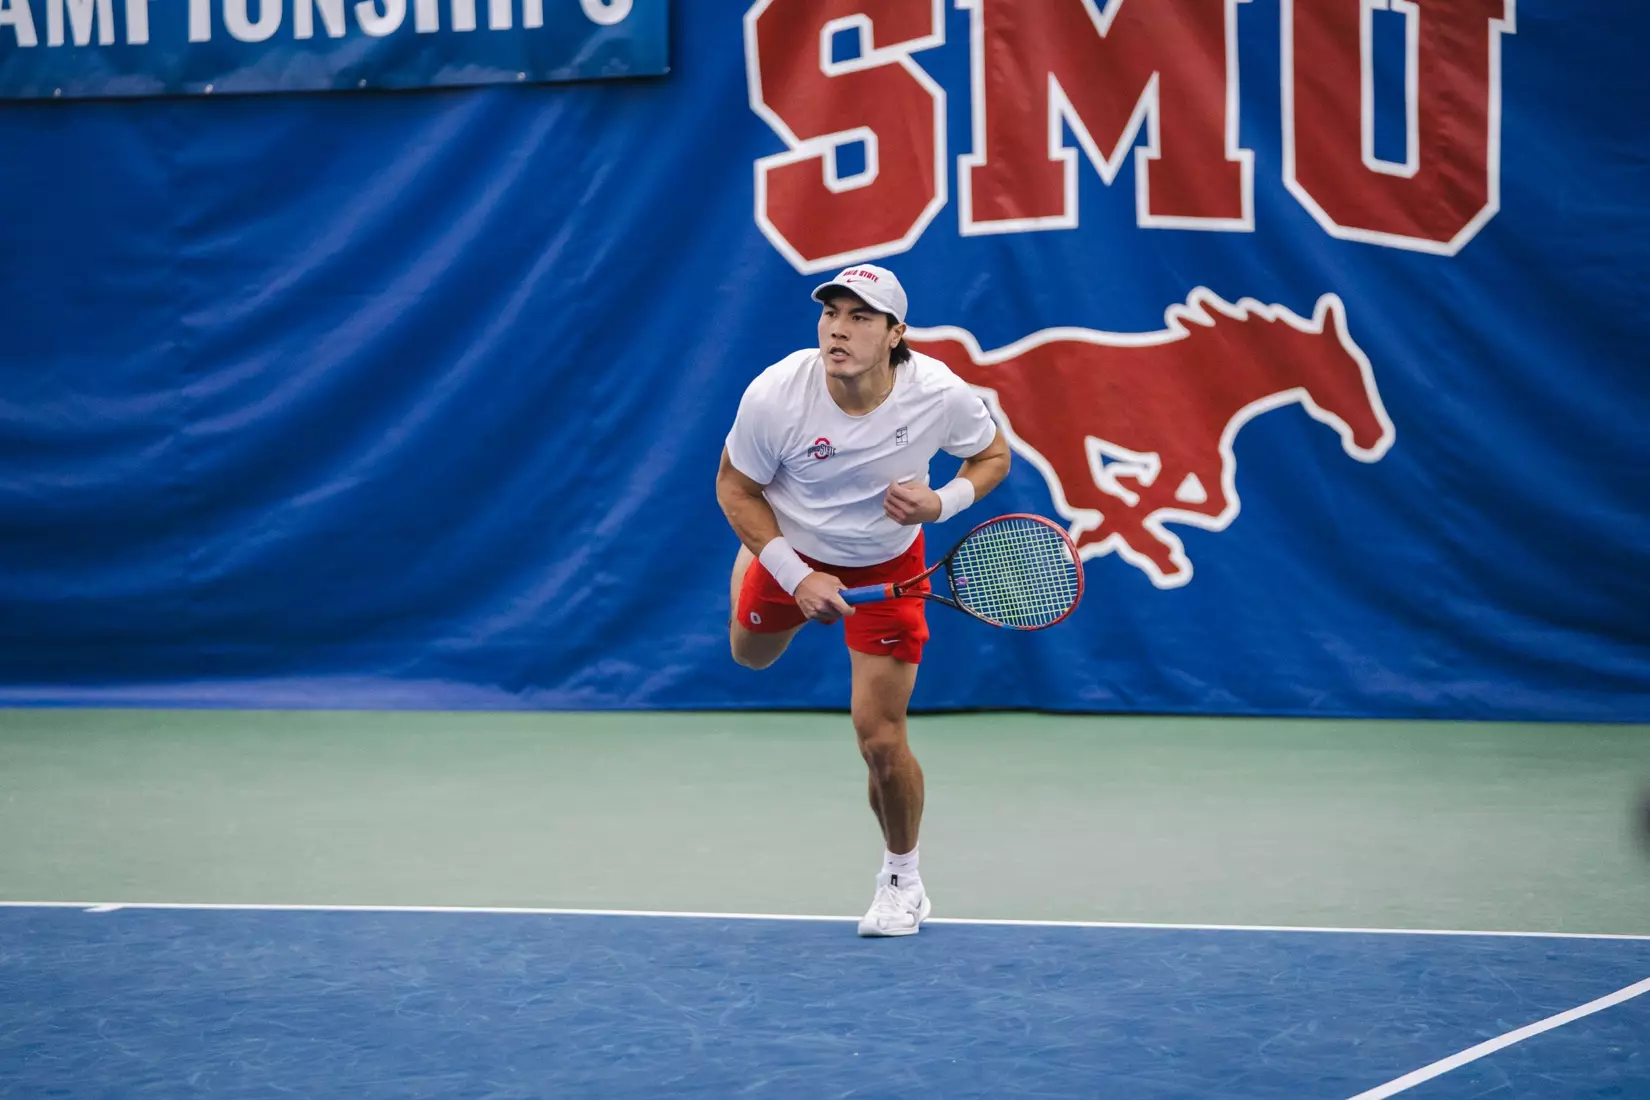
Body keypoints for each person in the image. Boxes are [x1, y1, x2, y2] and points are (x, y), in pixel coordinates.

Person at [714, 264, 1011, 936]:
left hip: (889, 562)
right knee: (749, 656)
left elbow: (992, 455)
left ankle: (902, 879)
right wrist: (793, 573)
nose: (838, 329)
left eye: (860, 317)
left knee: (880, 740)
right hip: (795, 548)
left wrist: (943, 501)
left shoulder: (938, 393)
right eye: (831, 314)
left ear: (896, 333)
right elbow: (734, 489)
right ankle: (756, 557)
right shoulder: (776, 393)